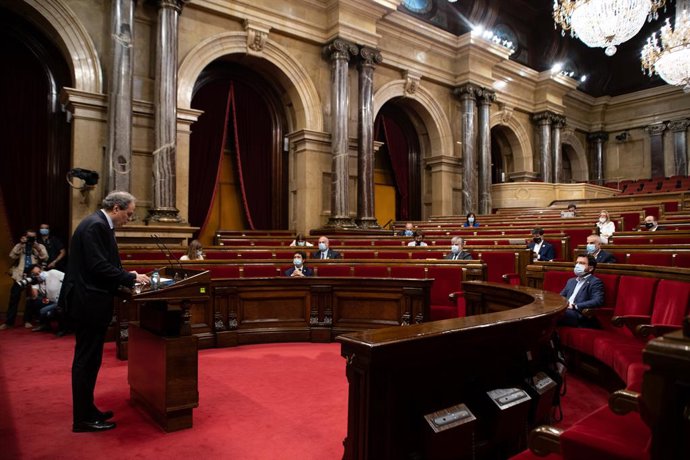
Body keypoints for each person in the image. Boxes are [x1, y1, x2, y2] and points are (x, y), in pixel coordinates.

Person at [60, 191, 150, 433]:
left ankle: (88, 410)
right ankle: (82, 419)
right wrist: (129, 277)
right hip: (88, 302)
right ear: (116, 208)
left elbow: (102, 264)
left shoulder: (97, 224)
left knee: (90, 360)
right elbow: (98, 266)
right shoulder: (96, 226)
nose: (129, 219)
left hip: (90, 300)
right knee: (86, 361)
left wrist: (123, 275)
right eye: (129, 214)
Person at [0, 229, 48, 330]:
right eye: (29, 236)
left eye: (33, 237)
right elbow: (12, 256)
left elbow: (45, 257)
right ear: (25, 236)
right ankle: (9, 322)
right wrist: (21, 244)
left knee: (31, 298)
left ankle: (27, 320)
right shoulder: (21, 245)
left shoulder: (39, 246)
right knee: (14, 298)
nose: (31, 239)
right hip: (20, 275)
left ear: (36, 237)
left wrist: (38, 248)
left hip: (33, 275)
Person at [558, 254, 605, 328]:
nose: (577, 265)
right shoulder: (571, 281)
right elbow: (560, 296)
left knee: (553, 315)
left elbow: (597, 300)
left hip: (579, 314)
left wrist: (575, 306)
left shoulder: (595, 282)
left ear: (590, 268)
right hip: (565, 310)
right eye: (577, 263)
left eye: (582, 263)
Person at [23, 264, 66, 335]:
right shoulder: (36, 282)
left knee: (51, 310)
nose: (39, 274)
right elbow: (34, 296)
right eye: (36, 274)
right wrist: (30, 283)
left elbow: (68, 280)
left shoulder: (53, 272)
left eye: (40, 271)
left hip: (63, 300)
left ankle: (63, 328)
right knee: (34, 302)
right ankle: (45, 325)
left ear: (42, 269)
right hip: (52, 302)